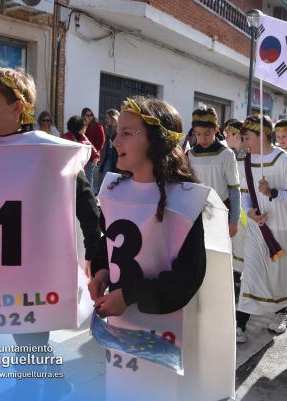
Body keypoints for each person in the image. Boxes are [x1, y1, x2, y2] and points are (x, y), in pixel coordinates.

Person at [0, 65, 101, 399]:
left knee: (28, 346)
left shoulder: (52, 151)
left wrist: (96, 259)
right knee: (22, 342)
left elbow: (88, 207)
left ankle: (35, 390)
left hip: (35, 277)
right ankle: (55, 383)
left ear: (17, 106)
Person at [88, 96, 235, 401]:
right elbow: (112, 239)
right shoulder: (114, 190)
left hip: (165, 334)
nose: (115, 140)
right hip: (121, 326)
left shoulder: (185, 200)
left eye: (128, 132)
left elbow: (187, 276)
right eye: (117, 131)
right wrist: (102, 269)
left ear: (156, 141)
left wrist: (129, 295)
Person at [236, 115, 287, 343]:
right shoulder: (247, 161)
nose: (245, 143)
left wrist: (271, 192)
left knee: (279, 276)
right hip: (257, 227)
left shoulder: (284, 160)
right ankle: (240, 321)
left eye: (247, 137)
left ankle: (281, 312)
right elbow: (244, 194)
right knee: (251, 271)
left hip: (282, 228)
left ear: (262, 134)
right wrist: (250, 213)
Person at [187, 107, 240, 238]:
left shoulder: (226, 154)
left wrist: (234, 221)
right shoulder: (190, 155)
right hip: (196, 213)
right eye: (198, 134)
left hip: (221, 212)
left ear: (216, 129)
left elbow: (234, 190)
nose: (203, 139)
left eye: (207, 133)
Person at [223, 119, 248, 281]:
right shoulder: (229, 154)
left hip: (247, 205)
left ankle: (237, 274)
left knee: (242, 238)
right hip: (233, 203)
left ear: (237, 135)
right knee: (234, 239)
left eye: (228, 134)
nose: (225, 137)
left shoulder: (252, 156)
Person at [62, 116, 100, 184]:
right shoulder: (65, 138)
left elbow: (92, 147)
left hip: (80, 171)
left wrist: (96, 157)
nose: (86, 128)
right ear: (79, 128)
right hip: (67, 171)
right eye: (85, 126)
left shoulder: (83, 137)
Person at [81, 107, 106, 191]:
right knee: (85, 175)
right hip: (84, 155)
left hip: (93, 156)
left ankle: (90, 194)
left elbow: (102, 142)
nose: (89, 117)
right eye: (87, 115)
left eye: (91, 115)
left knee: (89, 175)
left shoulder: (98, 126)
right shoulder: (83, 126)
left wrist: (96, 155)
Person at [98, 109, 120, 183]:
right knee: (106, 175)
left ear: (113, 118)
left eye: (107, 118)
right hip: (109, 155)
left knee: (111, 176)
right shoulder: (109, 128)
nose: (106, 120)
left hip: (116, 157)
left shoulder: (119, 129)